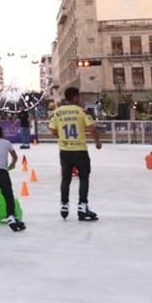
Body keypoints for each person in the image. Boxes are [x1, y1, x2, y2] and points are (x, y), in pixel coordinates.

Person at [48, 87, 102, 221]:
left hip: (65, 151)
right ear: (75, 97)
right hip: (80, 150)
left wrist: (61, 139)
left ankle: (64, 205)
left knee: (66, 179)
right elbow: (92, 128)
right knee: (84, 178)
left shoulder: (57, 112)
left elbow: (52, 129)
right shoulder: (81, 111)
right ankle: (82, 208)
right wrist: (97, 141)